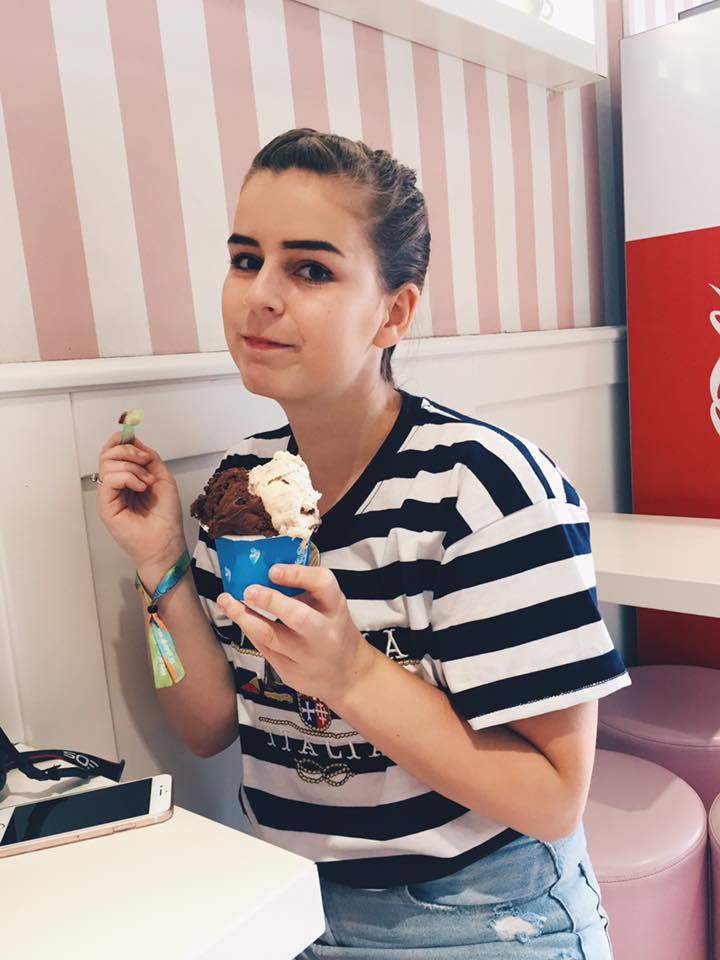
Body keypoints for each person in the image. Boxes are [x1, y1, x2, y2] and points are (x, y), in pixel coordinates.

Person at [97, 128, 630, 958]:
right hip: (290, 904)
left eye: (310, 269)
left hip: (481, 914)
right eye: (245, 260)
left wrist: (349, 672)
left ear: (394, 312)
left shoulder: (487, 490)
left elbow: (555, 797)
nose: (260, 296)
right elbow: (205, 725)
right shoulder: (240, 491)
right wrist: (160, 561)